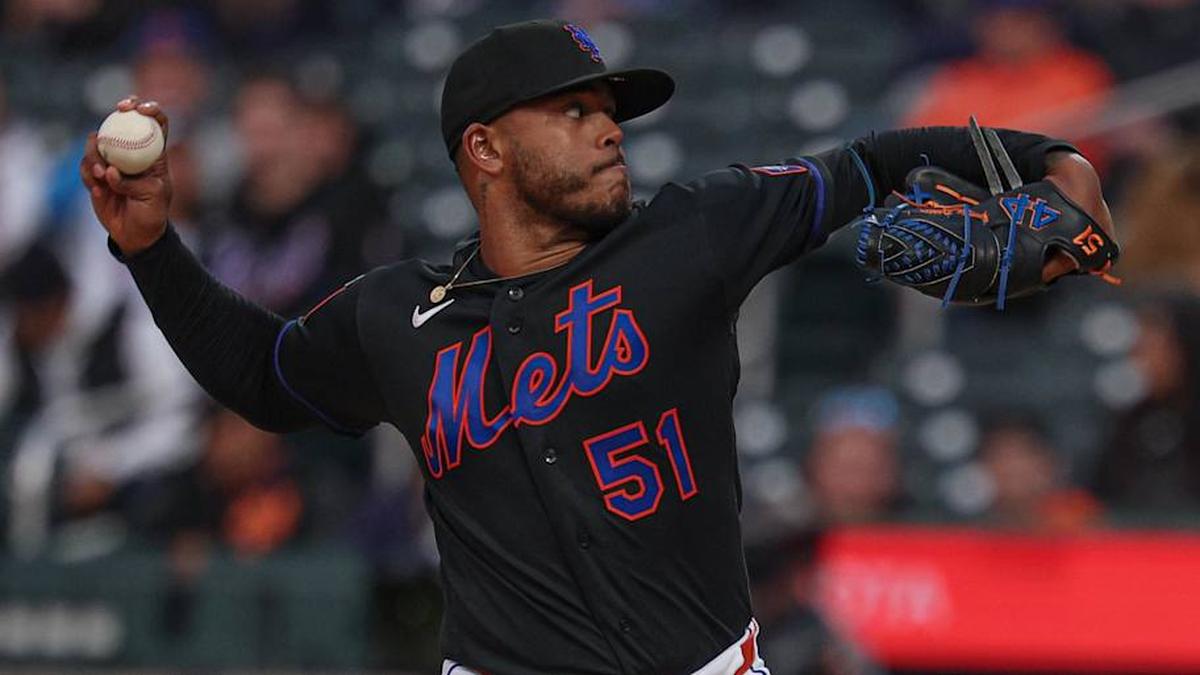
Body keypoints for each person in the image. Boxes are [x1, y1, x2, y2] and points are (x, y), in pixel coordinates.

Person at [79, 19, 1116, 674]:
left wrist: (1050, 158)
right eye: (573, 112)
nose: (609, 129)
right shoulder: (395, 313)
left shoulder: (694, 230)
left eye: (609, 112)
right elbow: (264, 380)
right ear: (485, 150)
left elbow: (872, 161)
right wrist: (152, 249)